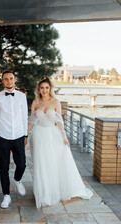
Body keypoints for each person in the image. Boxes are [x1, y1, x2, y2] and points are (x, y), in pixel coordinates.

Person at [28, 76, 93, 209]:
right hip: (39, 135)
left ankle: (52, 191)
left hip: (52, 135)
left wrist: (64, 137)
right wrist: (25, 136)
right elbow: (31, 122)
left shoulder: (56, 102)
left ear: (50, 88)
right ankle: (43, 193)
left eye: (47, 87)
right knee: (40, 164)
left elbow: (59, 122)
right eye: (42, 88)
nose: (44, 90)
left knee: (52, 163)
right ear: (38, 89)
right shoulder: (35, 103)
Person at [0, 70, 28, 209]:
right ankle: (6, 196)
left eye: (11, 78)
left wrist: (25, 134)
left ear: (15, 80)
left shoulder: (22, 96)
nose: (9, 81)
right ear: (2, 81)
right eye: (6, 79)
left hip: (18, 136)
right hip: (3, 136)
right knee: (3, 168)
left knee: (21, 164)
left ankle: (17, 180)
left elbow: (24, 117)